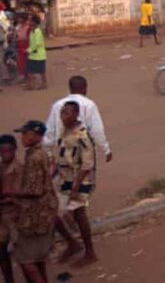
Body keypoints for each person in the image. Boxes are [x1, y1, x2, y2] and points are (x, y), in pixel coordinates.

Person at [11, 121, 58, 282]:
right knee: (38, 258)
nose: (22, 137)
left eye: (25, 133)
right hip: (44, 211)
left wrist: (11, 193)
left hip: (35, 215)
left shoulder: (34, 157)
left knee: (26, 260)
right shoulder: (39, 153)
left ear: (35, 135)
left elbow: (34, 190)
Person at [52, 102, 97, 267]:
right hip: (65, 179)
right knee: (58, 211)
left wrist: (76, 188)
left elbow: (87, 164)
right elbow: (61, 157)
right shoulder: (65, 131)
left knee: (79, 214)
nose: (63, 116)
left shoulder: (82, 135)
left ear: (76, 114)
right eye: (62, 113)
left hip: (78, 180)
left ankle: (89, 251)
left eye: (66, 113)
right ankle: (73, 243)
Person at [44, 75, 113, 163]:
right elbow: (97, 130)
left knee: (65, 175)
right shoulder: (89, 105)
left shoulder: (57, 105)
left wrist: (48, 152)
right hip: (84, 152)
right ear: (85, 88)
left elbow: (49, 131)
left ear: (69, 89)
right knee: (84, 175)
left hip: (62, 151)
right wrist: (106, 149)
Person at [0, 134, 22, 283]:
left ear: (15, 150)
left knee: (25, 255)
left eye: (8, 151)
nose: (5, 154)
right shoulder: (3, 167)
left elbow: (18, 194)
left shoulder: (18, 168)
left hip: (15, 215)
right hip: (5, 215)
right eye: (2, 151)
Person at [26, 16, 46, 90]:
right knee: (29, 70)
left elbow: (37, 44)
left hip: (39, 55)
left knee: (41, 71)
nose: (29, 23)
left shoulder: (37, 31)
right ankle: (30, 85)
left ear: (34, 22)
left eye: (30, 21)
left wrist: (29, 50)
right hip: (32, 55)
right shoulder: (32, 31)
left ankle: (43, 84)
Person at [14, 13, 29, 84]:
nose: (20, 20)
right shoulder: (18, 27)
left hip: (25, 45)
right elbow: (16, 35)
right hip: (19, 45)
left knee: (26, 62)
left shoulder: (28, 27)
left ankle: (28, 77)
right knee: (20, 62)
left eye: (21, 19)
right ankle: (24, 76)